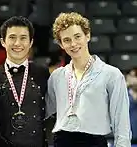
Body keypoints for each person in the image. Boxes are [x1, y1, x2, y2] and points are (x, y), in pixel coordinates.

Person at [46, 12, 131, 147]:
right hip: (61, 141)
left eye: (77, 36)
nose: (73, 44)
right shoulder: (57, 76)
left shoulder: (111, 74)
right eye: (67, 40)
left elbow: (121, 122)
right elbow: (45, 113)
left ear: (88, 35)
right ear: (61, 44)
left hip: (94, 142)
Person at [0, 16, 50, 147]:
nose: (17, 43)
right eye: (12, 37)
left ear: (31, 42)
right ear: (3, 41)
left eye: (23, 38)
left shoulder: (42, 73)